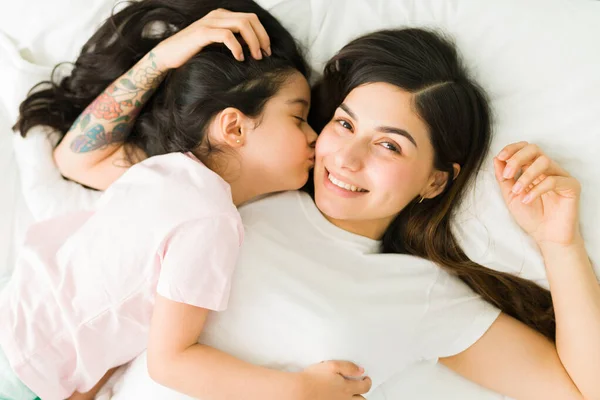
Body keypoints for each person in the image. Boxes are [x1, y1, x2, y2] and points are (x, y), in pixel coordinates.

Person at [12, 1, 600, 400]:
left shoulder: (418, 293)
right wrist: (169, 55)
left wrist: (560, 244)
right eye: (343, 123)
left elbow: (583, 387)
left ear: (435, 182)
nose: (343, 157)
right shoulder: (242, 190)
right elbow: (78, 157)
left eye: (389, 145)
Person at [0, 2, 374, 400]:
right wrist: (300, 389)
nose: (314, 137)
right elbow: (172, 361)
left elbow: (77, 159)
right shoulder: (209, 218)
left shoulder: (167, 173)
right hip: (25, 362)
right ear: (233, 126)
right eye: (298, 119)